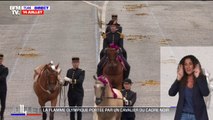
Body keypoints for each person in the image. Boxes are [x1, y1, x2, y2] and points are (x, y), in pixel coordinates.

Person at [169, 55, 210, 120]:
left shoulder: (201, 78)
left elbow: (205, 93)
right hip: (183, 115)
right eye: (185, 64)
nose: (188, 67)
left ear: (195, 65)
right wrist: (178, 78)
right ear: (183, 67)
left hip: (198, 116)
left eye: (190, 64)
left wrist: (198, 77)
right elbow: (171, 93)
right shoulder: (181, 80)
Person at [0, 54, 8, 120]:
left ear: (2, 60)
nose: (0, 60)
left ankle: (1, 115)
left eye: (1, 59)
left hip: (2, 89)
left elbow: (2, 78)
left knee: (3, 104)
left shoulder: (5, 69)